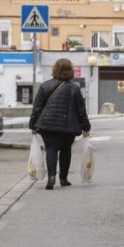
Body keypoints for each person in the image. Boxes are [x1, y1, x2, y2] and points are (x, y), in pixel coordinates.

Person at [31, 58, 90, 190]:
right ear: (70, 71)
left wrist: (33, 125)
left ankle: (51, 177)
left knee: (51, 149)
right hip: (67, 126)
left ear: (54, 70)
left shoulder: (45, 86)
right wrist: (86, 127)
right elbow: (81, 110)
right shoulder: (74, 88)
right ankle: (63, 179)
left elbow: (37, 107)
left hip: (47, 125)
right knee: (65, 150)